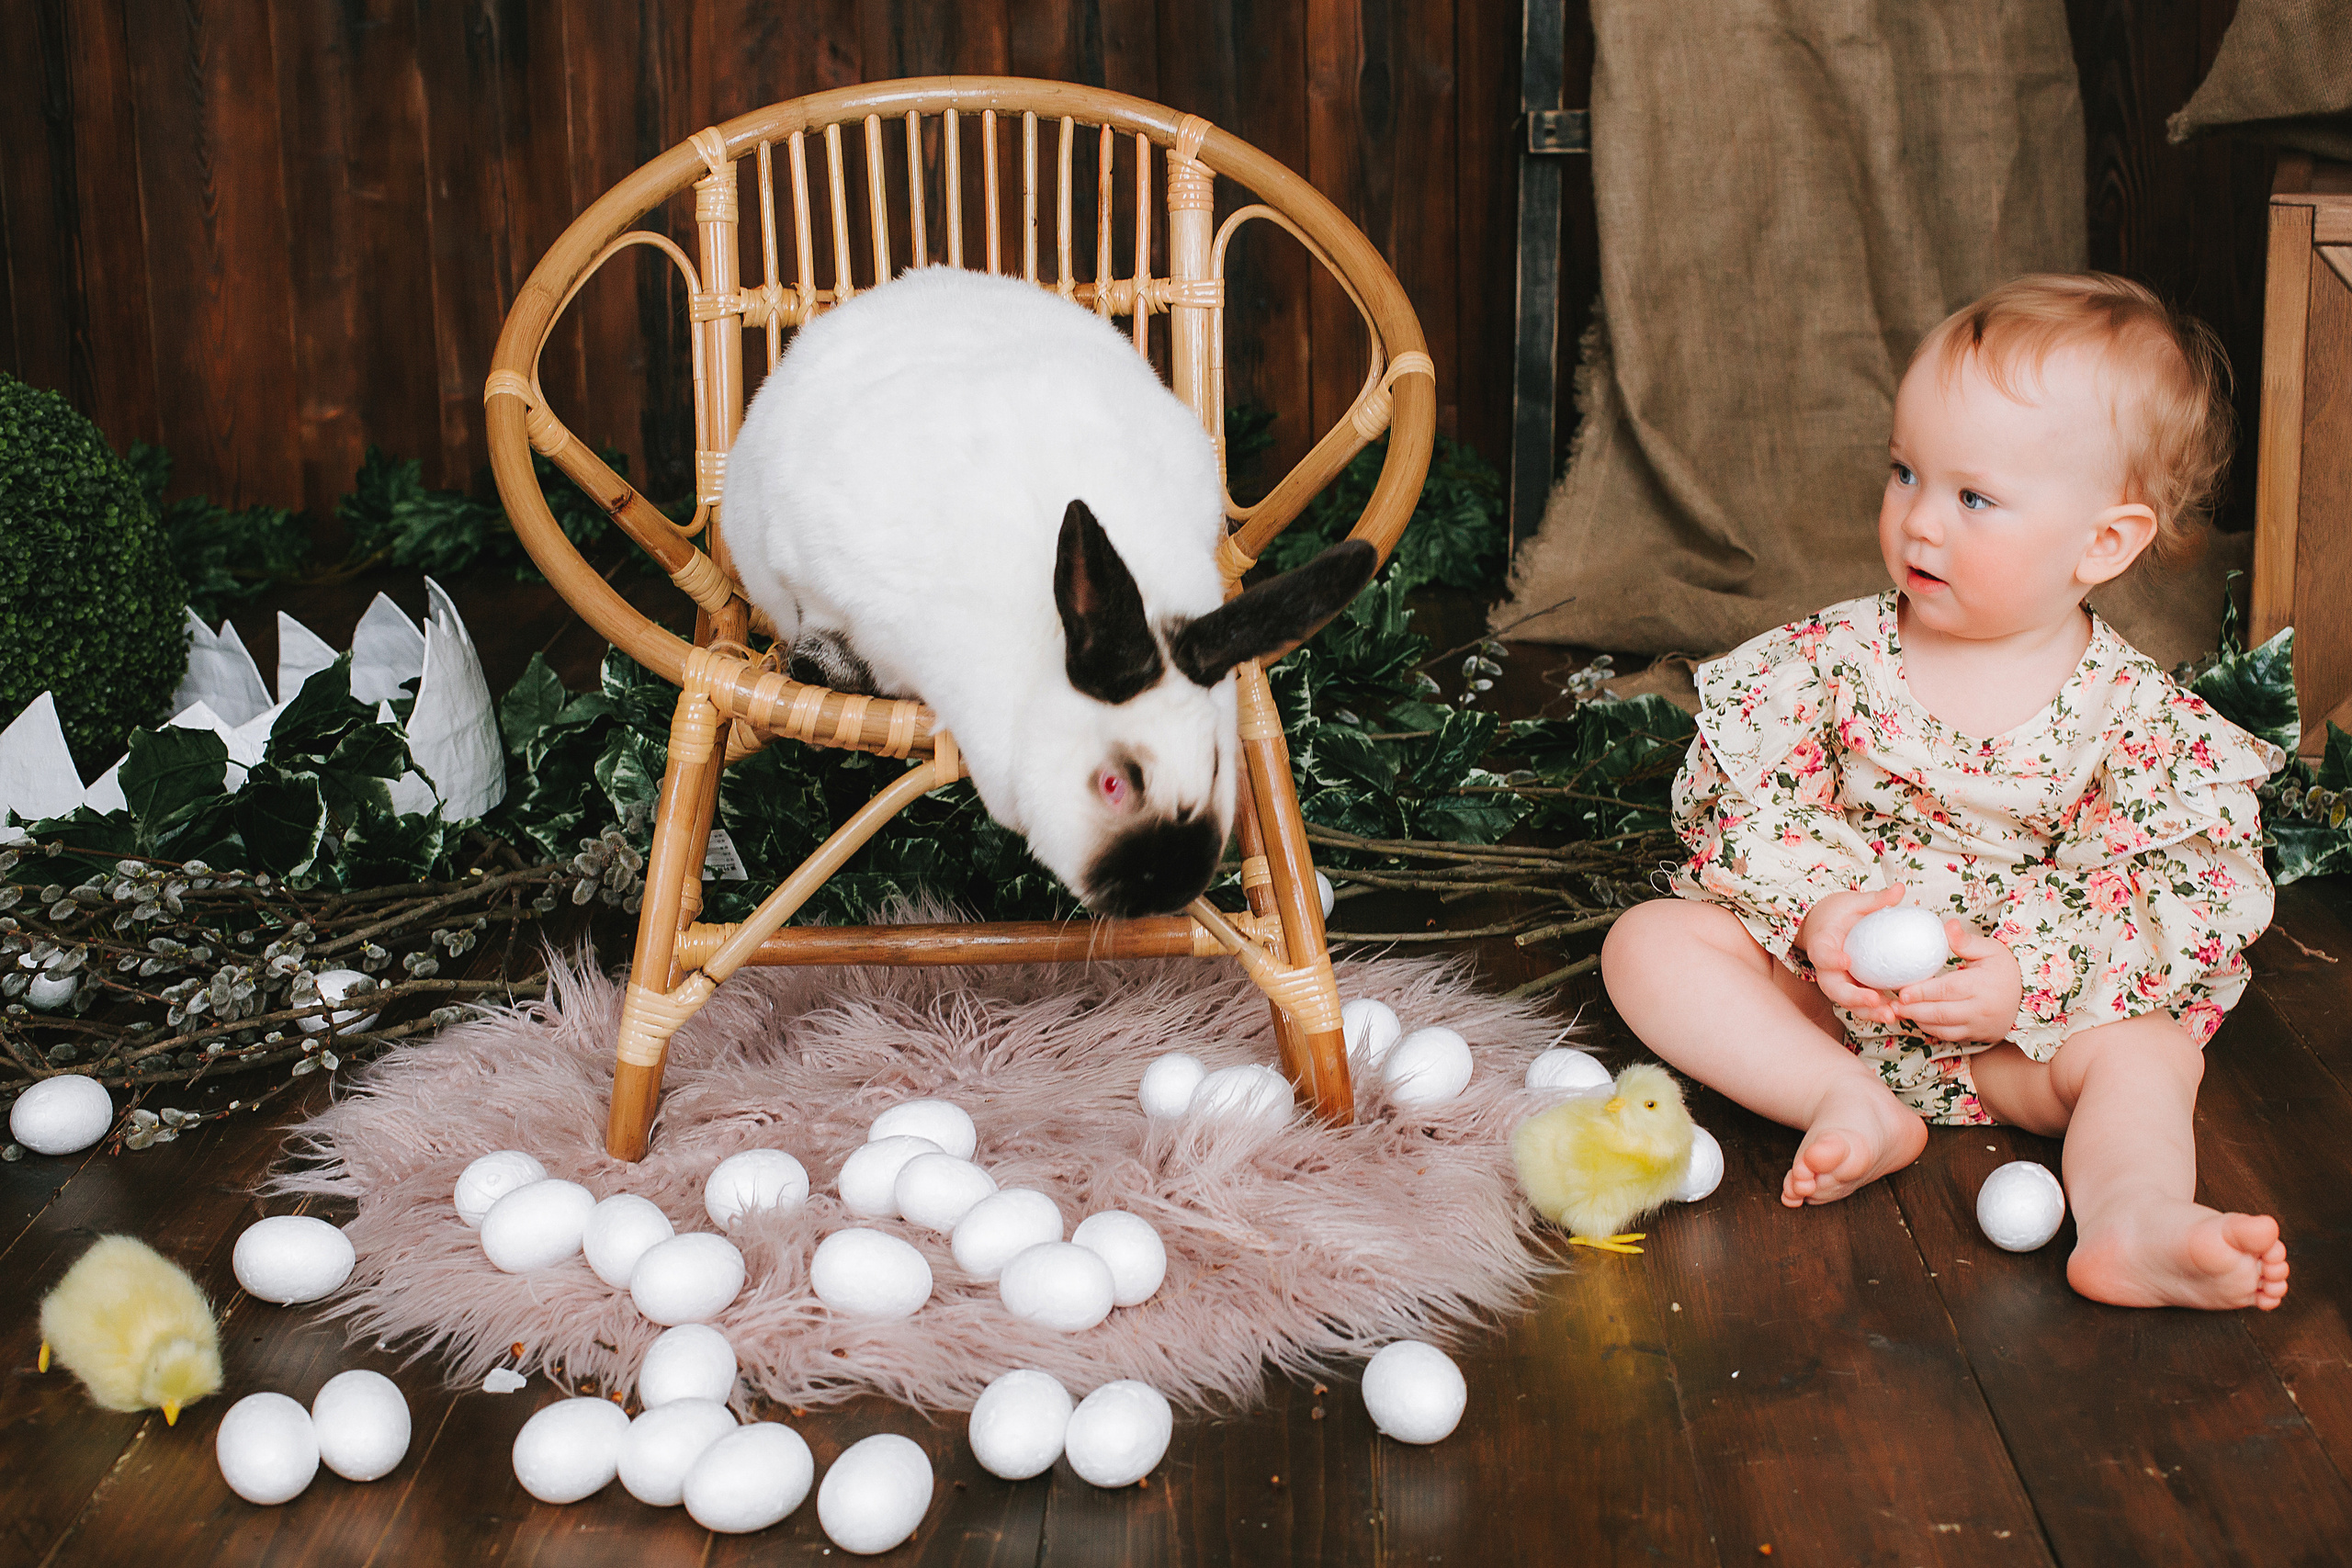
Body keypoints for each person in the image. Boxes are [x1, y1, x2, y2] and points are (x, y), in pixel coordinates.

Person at [1601, 274, 2291, 1310]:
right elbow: (1749, 805)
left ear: (2104, 542)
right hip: (1824, 1008)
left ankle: (2133, 1217)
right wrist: (1819, 912)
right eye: (1904, 473)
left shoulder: (2137, 726)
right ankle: (1846, 1103)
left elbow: (2171, 900)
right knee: (1648, 943)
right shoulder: (1830, 664)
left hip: (2016, 1046)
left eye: (1971, 497)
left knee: (2147, 1055)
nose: (1920, 521)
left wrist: (2025, 974)